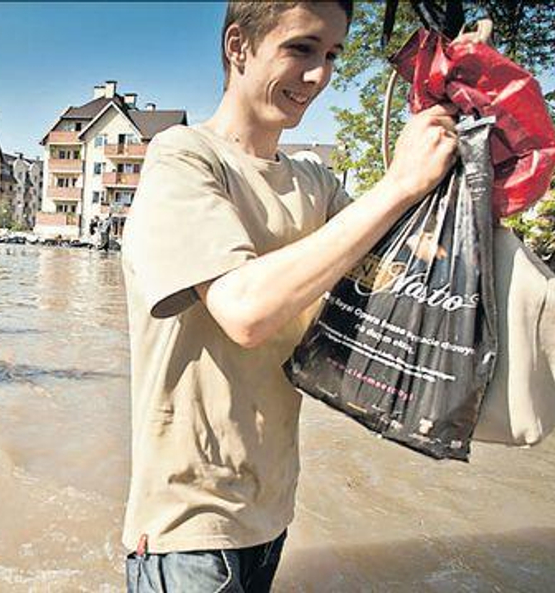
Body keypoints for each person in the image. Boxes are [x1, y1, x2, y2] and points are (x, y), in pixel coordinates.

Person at [120, 2, 459, 591]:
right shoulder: (182, 156)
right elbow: (244, 310)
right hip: (190, 530)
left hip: (271, 513)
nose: (320, 76)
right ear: (239, 46)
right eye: (301, 49)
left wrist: (466, 134)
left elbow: (410, 271)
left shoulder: (315, 181)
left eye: (331, 56)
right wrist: (399, 185)